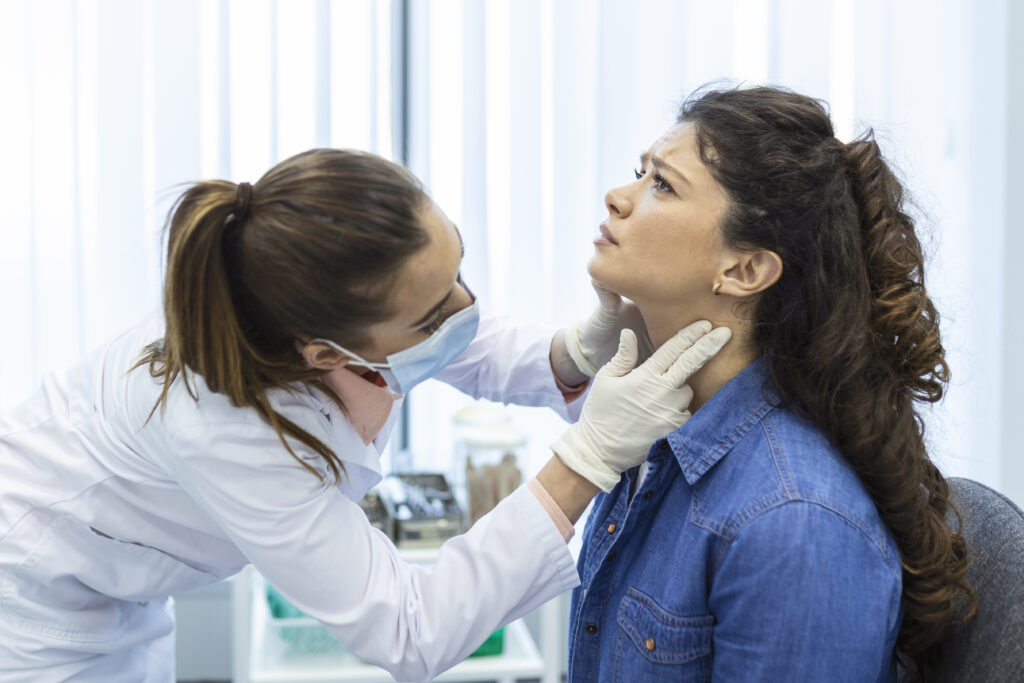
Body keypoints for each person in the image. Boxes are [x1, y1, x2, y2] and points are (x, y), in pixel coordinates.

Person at [0, 148, 731, 682]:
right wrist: (586, 460)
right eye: (436, 310)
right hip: (39, 605)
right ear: (325, 352)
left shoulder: (329, 299)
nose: (466, 311)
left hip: (121, 581)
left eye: (458, 274)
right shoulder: (221, 424)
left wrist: (572, 352)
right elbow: (408, 631)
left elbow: (453, 345)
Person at [562, 85, 975, 681]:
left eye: (663, 184)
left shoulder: (793, 522)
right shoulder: (649, 434)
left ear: (744, 269)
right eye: (639, 172)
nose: (618, 197)